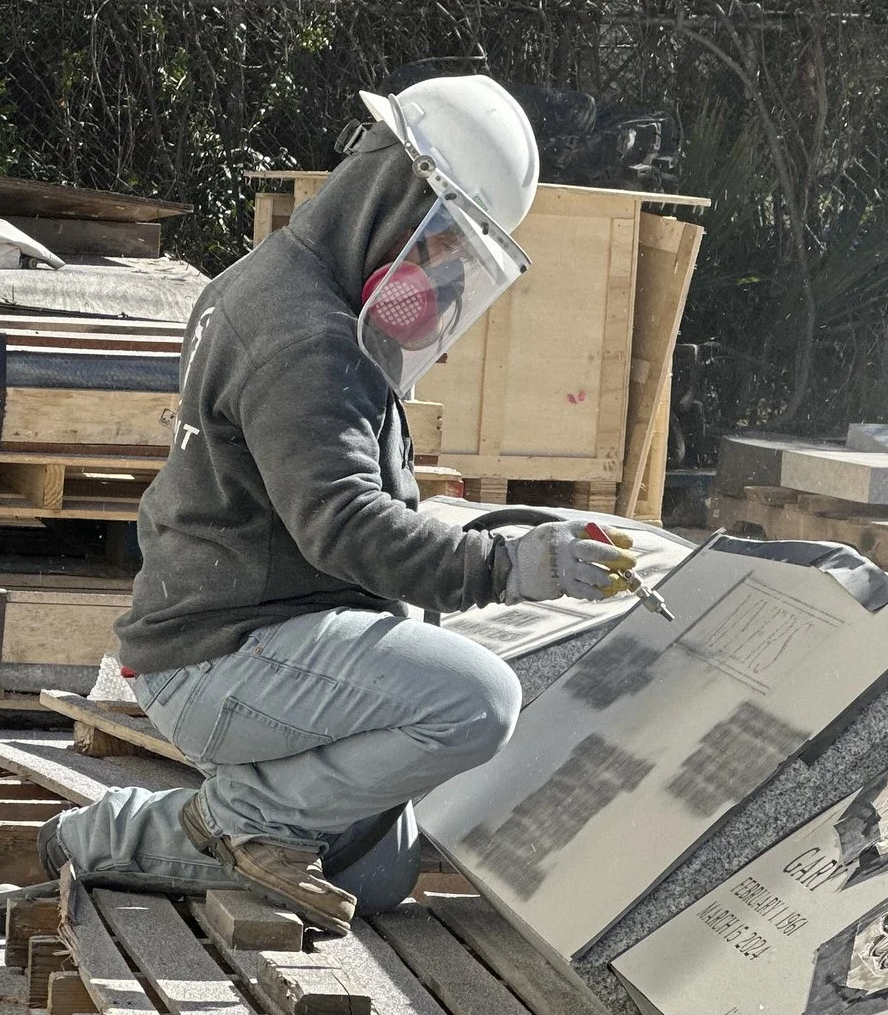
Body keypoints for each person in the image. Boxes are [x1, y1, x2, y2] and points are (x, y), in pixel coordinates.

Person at [34, 75, 636, 929]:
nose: (446, 274)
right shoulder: (305, 335)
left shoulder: (286, 284)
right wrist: (510, 565)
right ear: (397, 198)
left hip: (241, 627)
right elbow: (344, 522)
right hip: (224, 653)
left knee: (375, 872)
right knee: (477, 701)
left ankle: (116, 834)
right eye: (448, 240)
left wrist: (485, 548)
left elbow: (333, 490)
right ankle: (245, 816)